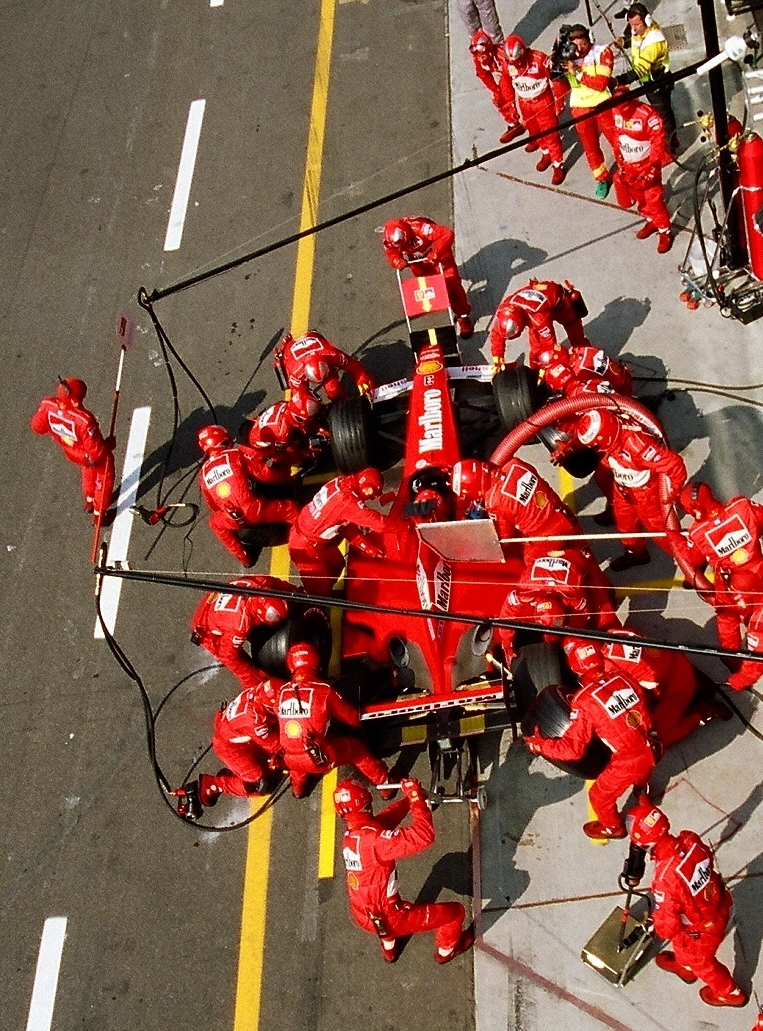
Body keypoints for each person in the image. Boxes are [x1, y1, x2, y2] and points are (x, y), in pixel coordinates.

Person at [525, 638, 659, 838]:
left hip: (629, 760)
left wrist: (540, 746)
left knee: (598, 796)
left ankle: (613, 828)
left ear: (575, 668)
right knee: (639, 762)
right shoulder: (623, 676)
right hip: (653, 742)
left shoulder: (584, 701)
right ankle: (642, 789)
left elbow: (573, 749)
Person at [335, 776, 475, 963]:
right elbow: (423, 836)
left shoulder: (351, 835)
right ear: (366, 804)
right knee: (455, 913)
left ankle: (389, 952)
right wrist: (416, 799)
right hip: (392, 917)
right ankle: (446, 952)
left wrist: (410, 800)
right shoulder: (376, 841)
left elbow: (385, 820)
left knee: (383, 926)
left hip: (362, 915)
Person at [627, 797, 749, 1008]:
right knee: (682, 939)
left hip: (705, 926)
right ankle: (685, 966)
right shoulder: (689, 839)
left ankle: (729, 992)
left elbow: (667, 927)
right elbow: (706, 857)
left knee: (701, 962)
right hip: (720, 901)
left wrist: (656, 921)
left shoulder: (664, 878)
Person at [551, 408, 687, 571]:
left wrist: (671, 494)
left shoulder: (637, 445)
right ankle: (637, 553)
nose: (594, 449)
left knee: (661, 532)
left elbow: (675, 465)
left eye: (595, 446)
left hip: (646, 493)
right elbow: (586, 435)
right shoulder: (606, 424)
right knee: (625, 524)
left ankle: (689, 563)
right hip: (622, 486)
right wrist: (569, 448)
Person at [277, 643, 391, 798]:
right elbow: (353, 719)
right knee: (358, 751)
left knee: (298, 765)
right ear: (317, 664)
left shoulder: (281, 692)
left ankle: (297, 790)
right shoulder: (323, 691)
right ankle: (386, 786)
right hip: (318, 757)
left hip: (289, 757)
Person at [679, 482, 763, 690]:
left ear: (696, 510)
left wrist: (678, 543)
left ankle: (731, 657)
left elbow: (692, 559)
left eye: (688, 510)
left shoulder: (697, 532)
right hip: (758, 572)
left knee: (727, 620)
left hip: (727, 585)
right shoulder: (742, 506)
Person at [602, 630, 732, 744]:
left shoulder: (612, 668)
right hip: (676, 659)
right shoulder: (615, 632)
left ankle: (701, 714)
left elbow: (636, 696)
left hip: (678, 686)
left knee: (650, 740)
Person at [197, 425, 299, 566]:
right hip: (254, 508)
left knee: (215, 524)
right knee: (290, 509)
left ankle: (244, 558)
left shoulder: (202, 473)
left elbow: (213, 505)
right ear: (224, 441)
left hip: (231, 517)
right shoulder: (234, 454)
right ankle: (304, 534)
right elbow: (265, 475)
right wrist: (286, 479)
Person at [497, 547, 618, 659]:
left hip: (577, 558)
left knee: (605, 611)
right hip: (544, 556)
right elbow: (506, 615)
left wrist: (571, 631)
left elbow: (582, 615)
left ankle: (616, 642)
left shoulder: (572, 594)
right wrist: (506, 640)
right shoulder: (524, 592)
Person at [288, 467, 390, 595]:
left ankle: (324, 592)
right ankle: (316, 599)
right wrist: (405, 525)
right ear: (366, 486)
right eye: (373, 493)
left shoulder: (342, 484)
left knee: (336, 564)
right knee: (319, 589)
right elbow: (380, 523)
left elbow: (344, 525)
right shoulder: (346, 500)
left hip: (313, 538)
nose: (372, 498)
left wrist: (366, 546)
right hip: (304, 545)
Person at [30, 378, 116, 524]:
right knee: (105, 476)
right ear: (75, 401)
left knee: (87, 469)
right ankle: (99, 514)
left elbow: (37, 427)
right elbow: (96, 453)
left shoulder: (47, 406)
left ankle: (89, 500)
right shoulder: (84, 421)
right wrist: (108, 445)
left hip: (71, 452)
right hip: (89, 454)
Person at [190, 574, 295, 692]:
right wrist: (254, 686)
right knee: (249, 672)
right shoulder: (239, 626)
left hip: (216, 599)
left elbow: (280, 585)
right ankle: (255, 692)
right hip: (205, 628)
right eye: (274, 617)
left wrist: (296, 592)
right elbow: (230, 657)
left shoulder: (262, 583)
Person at [381, 217, 474, 338]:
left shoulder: (420, 228)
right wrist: (397, 261)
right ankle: (443, 300)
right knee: (429, 288)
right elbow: (391, 253)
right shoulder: (389, 240)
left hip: (439, 258)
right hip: (418, 262)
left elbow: (447, 234)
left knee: (453, 287)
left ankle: (463, 316)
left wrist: (436, 253)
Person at [498, 35, 566, 185]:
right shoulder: (508, 65)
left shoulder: (539, 59)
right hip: (524, 102)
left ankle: (557, 165)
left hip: (543, 101)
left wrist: (559, 102)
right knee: (534, 130)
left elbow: (556, 79)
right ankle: (546, 153)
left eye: (518, 61)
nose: (517, 65)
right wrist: (511, 106)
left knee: (550, 134)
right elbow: (506, 84)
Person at [561, 24, 617, 198]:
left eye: (583, 44)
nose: (579, 49)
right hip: (580, 108)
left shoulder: (602, 53)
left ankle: (626, 170)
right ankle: (601, 178)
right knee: (591, 148)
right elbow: (558, 82)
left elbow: (600, 84)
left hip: (603, 104)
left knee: (617, 140)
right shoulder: (567, 57)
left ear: (589, 40)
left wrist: (577, 73)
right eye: (575, 45)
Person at [612, 96, 673, 253]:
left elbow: (658, 141)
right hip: (629, 165)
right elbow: (616, 137)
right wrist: (619, 160)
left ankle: (664, 231)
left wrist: (653, 166)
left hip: (646, 165)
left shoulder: (647, 114)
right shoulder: (615, 110)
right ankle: (651, 220)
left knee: (654, 200)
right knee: (639, 197)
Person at [489, 279, 589, 371]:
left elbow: (549, 345)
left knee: (575, 333)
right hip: (535, 307)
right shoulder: (505, 309)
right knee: (536, 350)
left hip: (561, 306)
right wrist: (497, 357)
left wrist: (545, 368)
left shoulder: (539, 319)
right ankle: (535, 371)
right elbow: (497, 334)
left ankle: (587, 360)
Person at [616, 3, 677, 148]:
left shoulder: (654, 42)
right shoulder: (640, 31)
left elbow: (641, 69)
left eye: (637, 25)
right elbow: (636, 40)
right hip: (649, 81)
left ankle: (671, 145)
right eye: (631, 25)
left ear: (647, 21)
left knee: (663, 115)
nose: (634, 29)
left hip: (658, 82)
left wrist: (619, 80)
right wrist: (624, 42)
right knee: (661, 112)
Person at [242, 389, 328, 485]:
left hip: (267, 425)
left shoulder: (287, 406)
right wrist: (306, 450)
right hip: (263, 442)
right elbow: (278, 456)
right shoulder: (282, 433)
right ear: (297, 418)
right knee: (290, 454)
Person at [274, 331, 375, 402]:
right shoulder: (295, 372)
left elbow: (354, 366)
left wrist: (363, 382)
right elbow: (299, 397)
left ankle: (340, 401)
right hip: (289, 352)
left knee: (334, 390)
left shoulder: (331, 354)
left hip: (314, 340)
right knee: (300, 401)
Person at [469, 32, 522, 142]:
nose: (481, 59)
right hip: (505, 75)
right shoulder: (477, 58)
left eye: (483, 56)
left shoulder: (502, 55)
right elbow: (484, 75)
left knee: (511, 95)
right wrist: (495, 90)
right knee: (498, 99)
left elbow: (517, 71)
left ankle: (524, 121)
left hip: (516, 73)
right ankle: (513, 124)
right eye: (478, 56)